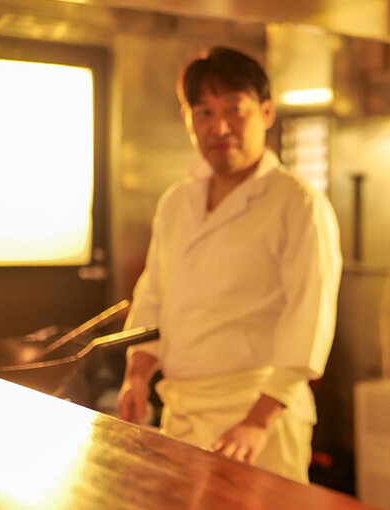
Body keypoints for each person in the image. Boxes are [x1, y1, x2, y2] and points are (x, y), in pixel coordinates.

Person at [117, 46, 342, 484]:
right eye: (203, 112)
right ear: (188, 119)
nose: (219, 127)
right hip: (181, 412)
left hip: (260, 419)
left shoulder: (298, 203)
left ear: (266, 112)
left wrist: (258, 421)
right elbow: (154, 293)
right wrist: (137, 373)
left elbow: (309, 320)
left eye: (234, 110)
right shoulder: (177, 202)